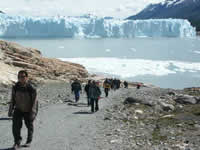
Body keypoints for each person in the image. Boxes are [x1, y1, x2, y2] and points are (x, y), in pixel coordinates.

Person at [8, 70, 38, 149]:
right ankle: (17, 142)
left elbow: (35, 102)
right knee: (15, 127)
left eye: (23, 77)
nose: (21, 78)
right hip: (18, 109)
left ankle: (29, 141)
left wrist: (33, 112)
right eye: (19, 77)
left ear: (27, 77)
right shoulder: (15, 87)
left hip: (28, 110)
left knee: (29, 126)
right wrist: (10, 110)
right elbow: (12, 99)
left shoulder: (31, 88)